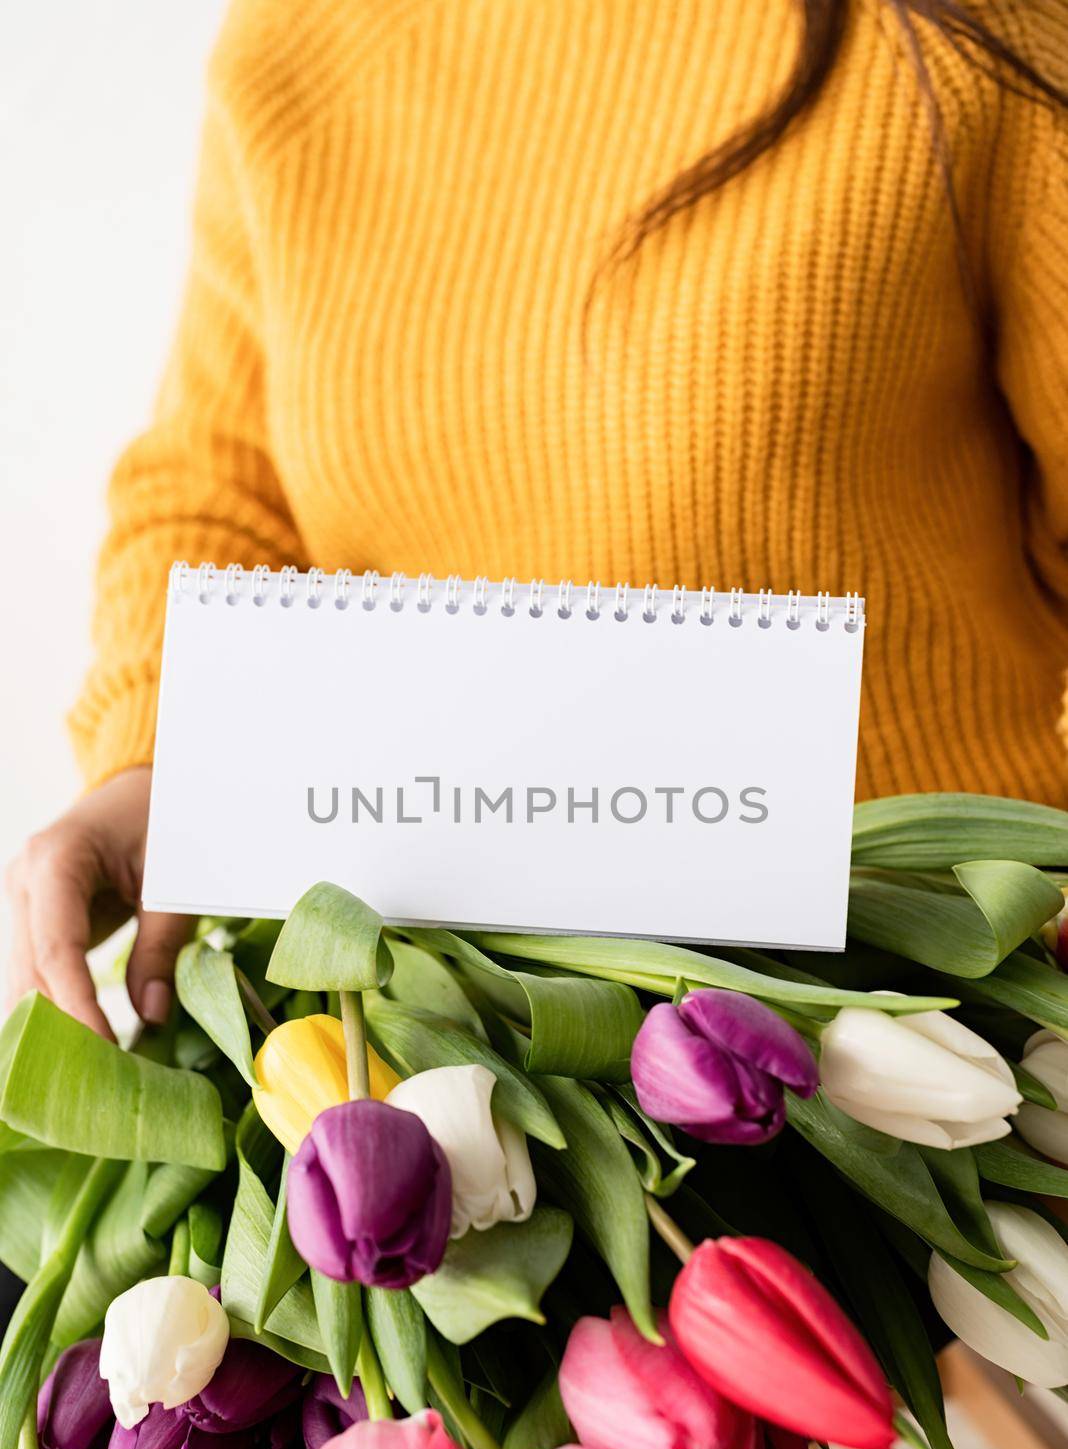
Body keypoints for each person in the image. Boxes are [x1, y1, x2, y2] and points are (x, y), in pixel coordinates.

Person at [6, 0, 1068, 1033]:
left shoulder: (975, 44)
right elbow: (223, 484)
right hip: (444, 1063)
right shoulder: (301, 36)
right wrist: (157, 758)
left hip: (936, 1043)